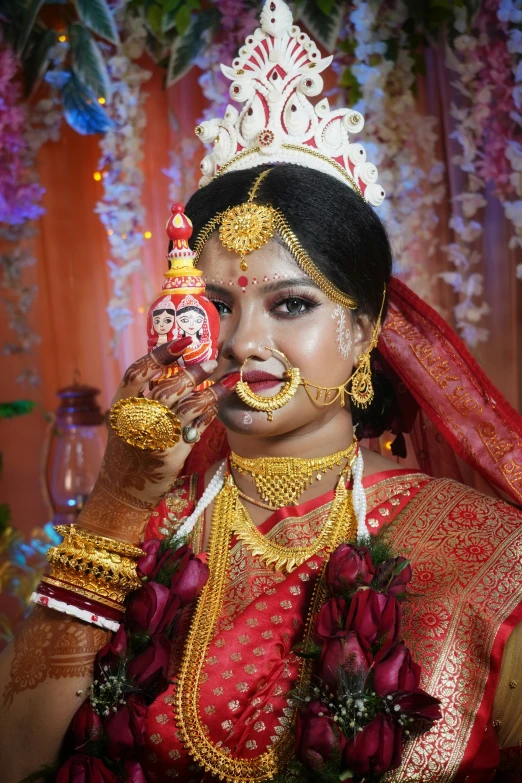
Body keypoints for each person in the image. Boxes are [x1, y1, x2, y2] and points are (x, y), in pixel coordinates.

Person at [1, 3, 521, 782]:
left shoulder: (490, 554)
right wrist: (118, 498)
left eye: (291, 305)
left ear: (366, 326)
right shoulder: (142, 528)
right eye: (216, 307)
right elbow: (15, 758)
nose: (243, 342)